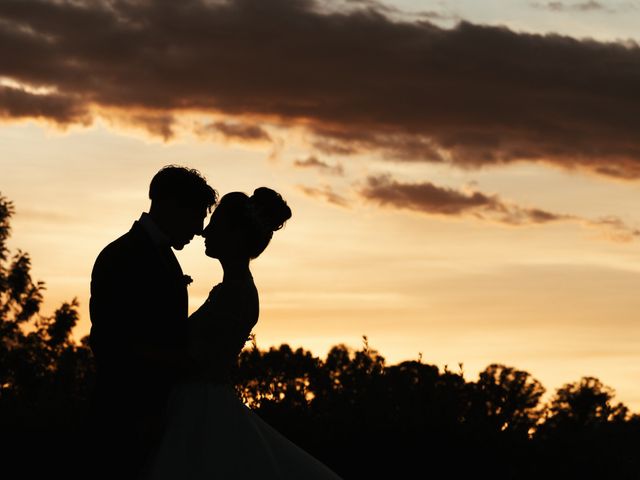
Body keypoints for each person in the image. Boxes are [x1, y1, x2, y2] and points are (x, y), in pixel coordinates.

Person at [147, 188, 342, 479]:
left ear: (235, 235)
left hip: (202, 408)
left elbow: (200, 360)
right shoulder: (231, 290)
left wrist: (142, 354)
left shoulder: (236, 295)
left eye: (215, 225)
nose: (204, 232)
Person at [88, 165, 217, 480]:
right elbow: (109, 343)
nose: (201, 228)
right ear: (172, 205)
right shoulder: (121, 256)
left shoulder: (164, 258)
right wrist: (178, 362)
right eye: (197, 215)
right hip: (125, 417)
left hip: (158, 417)